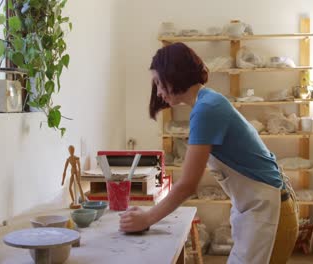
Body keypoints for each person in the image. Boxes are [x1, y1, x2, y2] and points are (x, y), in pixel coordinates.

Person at [119, 42, 298, 264]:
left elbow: (187, 185)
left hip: (269, 214)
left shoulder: (207, 110)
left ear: (173, 75)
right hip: (260, 209)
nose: (158, 92)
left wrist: (147, 218)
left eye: (158, 83)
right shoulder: (206, 103)